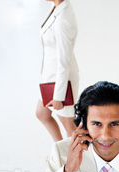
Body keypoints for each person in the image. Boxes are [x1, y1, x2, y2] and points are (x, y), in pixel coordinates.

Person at [36, 0, 79, 141]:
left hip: (61, 82)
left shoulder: (63, 19)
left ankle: (73, 160)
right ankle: (60, 151)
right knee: (42, 114)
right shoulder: (56, 7)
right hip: (49, 78)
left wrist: (59, 97)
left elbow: (64, 61)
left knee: (70, 128)